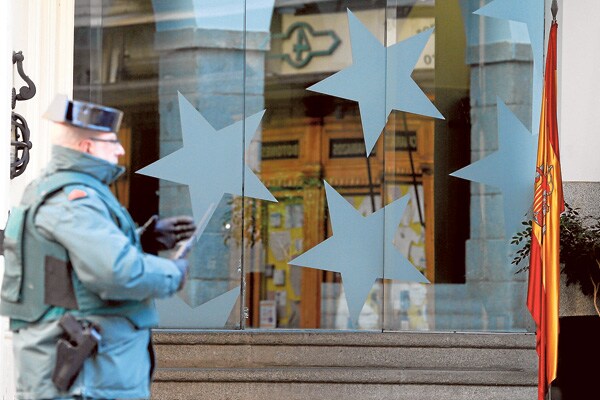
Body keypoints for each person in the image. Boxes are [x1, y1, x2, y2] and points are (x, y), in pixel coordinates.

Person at [0, 95, 195, 400]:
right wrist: (174, 272)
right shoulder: (73, 200)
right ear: (87, 147)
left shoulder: (62, 191)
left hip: (93, 374)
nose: (120, 150)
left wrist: (142, 240)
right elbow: (115, 273)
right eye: (111, 142)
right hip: (91, 377)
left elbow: (67, 268)